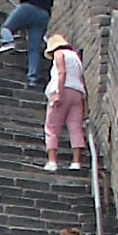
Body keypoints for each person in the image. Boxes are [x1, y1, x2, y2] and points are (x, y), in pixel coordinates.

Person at [0, 0, 54, 87]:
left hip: (28, 7)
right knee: (34, 48)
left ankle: (8, 42)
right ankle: (33, 77)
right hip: (43, 15)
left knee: (7, 28)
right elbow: (50, 4)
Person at [42, 33, 87, 171]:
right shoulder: (76, 58)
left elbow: (62, 72)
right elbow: (82, 79)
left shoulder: (59, 53)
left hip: (63, 90)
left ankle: (52, 161)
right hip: (78, 93)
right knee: (75, 127)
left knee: (52, 126)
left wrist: (58, 94)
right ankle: (76, 162)